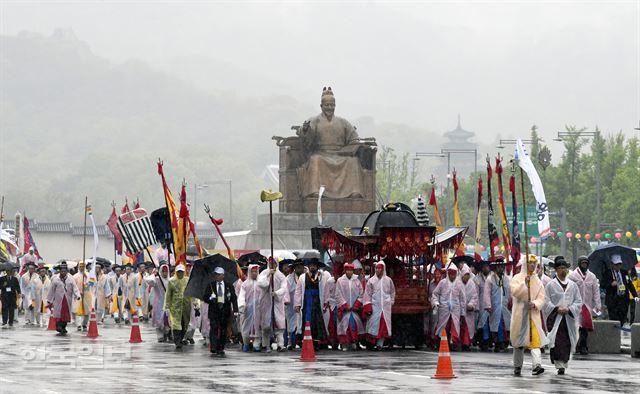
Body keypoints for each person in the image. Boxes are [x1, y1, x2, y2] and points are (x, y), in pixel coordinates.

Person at [510, 255, 547, 376]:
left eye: (534, 263)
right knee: (519, 344)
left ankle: (537, 365)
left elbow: (542, 298)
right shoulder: (517, 278)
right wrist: (524, 285)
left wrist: (535, 304)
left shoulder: (538, 281)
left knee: (535, 341)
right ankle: (517, 366)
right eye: (530, 263)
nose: (532, 265)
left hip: (533, 316)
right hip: (520, 316)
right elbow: (515, 292)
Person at [544, 257, 582, 375]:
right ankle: (559, 364)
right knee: (557, 340)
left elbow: (578, 301)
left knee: (567, 341)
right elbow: (546, 301)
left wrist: (569, 309)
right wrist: (556, 308)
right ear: (556, 270)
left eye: (564, 268)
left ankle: (564, 363)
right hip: (555, 318)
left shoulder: (573, 286)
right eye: (560, 268)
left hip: (568, 318)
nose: (562, 270)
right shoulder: (550, 285)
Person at [294, 258, 331, 349]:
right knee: (306, 321)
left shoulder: (321, 277)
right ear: (309, 267)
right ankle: (306, 341)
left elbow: (326, 290)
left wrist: (326, 301)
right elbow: (298, 291)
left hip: (317, 302)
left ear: (317, 267)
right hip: (307, 302)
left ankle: (317, 342)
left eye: (314, 266)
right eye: (311, 266)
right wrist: (297, 303)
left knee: (317, 322)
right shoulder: (302, 277)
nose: (313, 267)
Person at [568, 256, 601, 355]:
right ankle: (575, 346)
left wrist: (598, 304)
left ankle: (583, 346)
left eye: (586, 264)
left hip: (587, 306)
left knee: (585, 327)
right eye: (582, 263)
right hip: (575, 305)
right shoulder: (572, 276)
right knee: (575, 326)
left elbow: (596, 291)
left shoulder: (592, 276)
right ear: (579, 264)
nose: (584, 265)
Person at [203, 267, 238, 356]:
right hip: (214, 310)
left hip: (224, 310)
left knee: (223, 330)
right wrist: (210, 298)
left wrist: (235, 310)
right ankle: (214, 347)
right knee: (214, 328)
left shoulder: (229, 286)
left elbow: (234, 298)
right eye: (216, 274)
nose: (217, 276)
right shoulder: (210, 285)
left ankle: (221, 347)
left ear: (223, 275)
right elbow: (205, 298)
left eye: (219, 274)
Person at [431, 264, 466, 350]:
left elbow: (462, 298)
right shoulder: (442, 283)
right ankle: (439, 343)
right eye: (450, 274)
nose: (452, 276)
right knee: (443, 327)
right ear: (448, 274)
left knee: (454, 327)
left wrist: (462, 311)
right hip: (444, 309)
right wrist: (436, 302)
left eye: (453, 274)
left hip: (455, 309)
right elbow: (435, 294)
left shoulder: (459, 284)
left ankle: (454, 344)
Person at [257, 258, 289, 352]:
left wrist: (277, 293)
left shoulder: (281, 276)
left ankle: (281, 344)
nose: (272, 265)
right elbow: (261, 284)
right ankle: (265, 344)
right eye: (270, 263)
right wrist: (268, 275)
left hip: (277, 302)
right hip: (266, 302)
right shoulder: (263, 273)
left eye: (274, 263)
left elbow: (284, 288)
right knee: (266, 325)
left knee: (279, 325)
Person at [363, 261, 395, 350]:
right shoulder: (371, 281)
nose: (377, 270)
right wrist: (368, 305)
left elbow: (392, 292)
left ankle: (379, 344)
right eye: (376, 268)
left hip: (385, 308)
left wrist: (391, 301)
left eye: (379, 268)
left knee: (383, 325)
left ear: (383, 269)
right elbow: (367, 294)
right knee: (373, 325)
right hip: (375, 306)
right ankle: (372, 343)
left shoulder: (388, 280)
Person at [601, 254, 638, 326]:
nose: (618, 266)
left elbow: (629, 284)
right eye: (616, 264)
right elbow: (603, 284)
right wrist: (611, 284)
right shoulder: (607, 273)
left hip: (623, 301)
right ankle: (615, 335)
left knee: (623, 320)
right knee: (614, 321)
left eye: (619, 264)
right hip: (613, 301)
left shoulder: (624, 272)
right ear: (612, 264)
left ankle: (621, 332)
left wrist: (635, 295)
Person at [335, 262, 364, 351]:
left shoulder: (357, 281)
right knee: (344, 326)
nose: (349, 272)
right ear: (345, 271)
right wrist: (344, 305)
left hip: (354, 309)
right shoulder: (340, 281)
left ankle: (354, 341)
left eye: (351, 270)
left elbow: (361, 294)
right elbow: (338, 294)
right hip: (345, 309)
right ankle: (344, 343)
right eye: (347, 270)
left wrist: (356, 304)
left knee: (354, 324)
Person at [484, 256, 511, 352]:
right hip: (494, 306)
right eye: (499, 267)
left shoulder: (507, 279)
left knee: (505, 323)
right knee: (496, 324)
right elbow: (487, 293)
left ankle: (503, 342)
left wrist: (510, 302)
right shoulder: (490, 279)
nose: (501, 269)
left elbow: (509, 292)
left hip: (504, 306)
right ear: (496, 268)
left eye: (502, 267)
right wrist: (488, 305)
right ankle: (497, 342)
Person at [47, 262, 81, 335]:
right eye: (61, 271)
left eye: (64, 271)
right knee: (59, 313)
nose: (63, 272)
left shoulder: (70, 279)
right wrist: (49, 300)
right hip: (58, 299)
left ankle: (63, 327)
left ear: (67, 271)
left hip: (67, 298)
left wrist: (77, 295)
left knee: (66, 313)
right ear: (60, 271)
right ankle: (58, 326)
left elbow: (75, 288)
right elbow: (51, 290)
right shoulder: (55, 279)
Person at [164, 264, 192, 349]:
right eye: (179, 272)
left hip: (186, 306)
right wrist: (167, 306)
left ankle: (181, 338)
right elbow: (168, 294)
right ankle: (177, 341)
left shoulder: (187, 281)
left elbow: (192, 294)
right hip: (175, 307)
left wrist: (196, 305)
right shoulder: (171, 281)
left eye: (182, 272)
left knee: (185, 324)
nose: (180, 273)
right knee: (176, 324)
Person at [238, 264, 265, 352]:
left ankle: (256, 343)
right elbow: (241, 296)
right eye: (252, 272)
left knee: (258, 326)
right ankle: (246, 342)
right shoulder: (245, 284)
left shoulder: (261, 283)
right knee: (246, 327)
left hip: (259, 310)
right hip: (248, 310)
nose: (254, 273)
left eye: (256, 272)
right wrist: (242, 305)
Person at [145, 262, 170, 342]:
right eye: (163, 271)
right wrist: (154, 275)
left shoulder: (170, 280)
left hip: (168, 303)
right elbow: (148, 281)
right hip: (158, 303)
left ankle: (167, 333)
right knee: (158, 320)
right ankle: (160, 335)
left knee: (167, 320)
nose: (165, 273)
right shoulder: (156, 280)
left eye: (166, 271)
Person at [285, 260, 304, 350]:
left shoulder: (306, 277)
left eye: (301, 267)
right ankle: (290, 342)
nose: (299, 269)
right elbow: (286, 291)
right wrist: (287, 300)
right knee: (291, 324)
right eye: (297, 267)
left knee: (302, 323)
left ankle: (301, 341)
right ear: (295, 268)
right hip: (291, 305)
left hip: (303, 304)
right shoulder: (289, 278)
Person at [474, 260, 492, 350]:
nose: (486, 268)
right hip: (481, 303)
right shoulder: (477, 278)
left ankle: (490, 340)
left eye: (487, 267)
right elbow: (476, 292)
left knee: (491, 322)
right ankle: (484, 340)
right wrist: (476, 305)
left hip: (491, 303)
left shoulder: (492, 277)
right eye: (484, 267)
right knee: (482, 323)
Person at [459, 265, 478, 351]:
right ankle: (460, 343)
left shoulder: (472, 284)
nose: (466, 278)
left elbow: (474, 297)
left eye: (468, 276)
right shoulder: (457, 284)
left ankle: (466, 344)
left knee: (468, 328)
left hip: (469, 312)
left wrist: (471, 305)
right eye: (465, 276)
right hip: (459, 311)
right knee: (460, 328)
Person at [72, 261, 91, 331]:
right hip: (78, 296)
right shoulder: (75, 276)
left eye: (83, 266)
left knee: (87, 311)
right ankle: (79, 325)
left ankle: (84, 324)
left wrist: (86, 282)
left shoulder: (88, 275)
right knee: (78, 311)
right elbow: (73, 287)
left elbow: (91, 285)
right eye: (80, 266)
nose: (82, 268)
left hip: (87, 296)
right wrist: (78, 292)